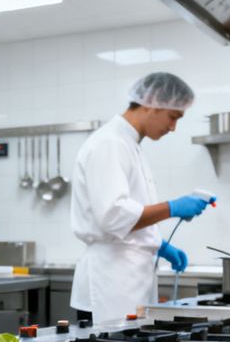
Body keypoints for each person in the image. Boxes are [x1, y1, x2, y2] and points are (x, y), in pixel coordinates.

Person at [70, 72, 212, 325]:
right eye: (172, 117)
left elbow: (127, 213)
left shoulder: (129, 144)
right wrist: (173, 207)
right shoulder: (109, 143)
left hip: (127, 281)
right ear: (151, 104)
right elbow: (113, 217)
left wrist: (158, 244)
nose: (172, 127)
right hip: (109, 285)